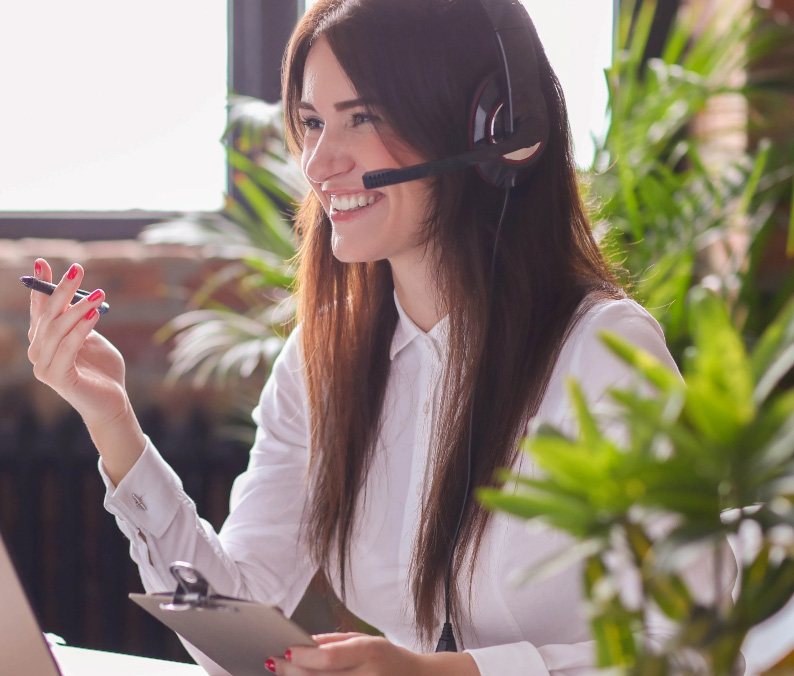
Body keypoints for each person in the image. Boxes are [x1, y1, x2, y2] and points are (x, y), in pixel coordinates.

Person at [25, 1, 735, 675]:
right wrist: (112, 423)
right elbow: (234, 625)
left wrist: (453, 672)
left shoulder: (601, 354)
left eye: (360, 117)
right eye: (311, 121)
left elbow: (701, 647)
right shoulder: (322, 358)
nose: (317, 163)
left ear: (493, 133)